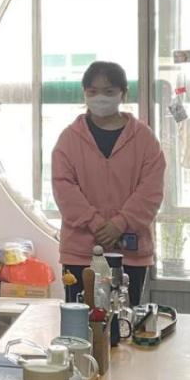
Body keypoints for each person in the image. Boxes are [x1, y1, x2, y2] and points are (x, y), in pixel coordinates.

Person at [52, 61, 166, 307]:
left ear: (123, 93)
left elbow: (151, 190)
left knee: (125, 320)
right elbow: (64, 189)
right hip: (80, 252)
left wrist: (119, 224)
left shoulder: (144, 139)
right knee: (79, 320)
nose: (100, 98)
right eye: (92, 91)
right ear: (84, 94)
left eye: (109, 91)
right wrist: (96, 223)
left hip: (130, 253)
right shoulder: (69, 139)